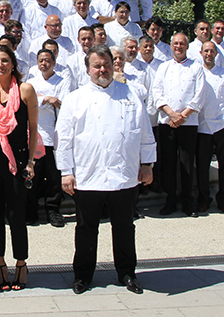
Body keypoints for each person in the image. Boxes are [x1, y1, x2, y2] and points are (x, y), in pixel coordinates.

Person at [58, 45, 155, 294]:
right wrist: (66, 171)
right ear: (88, 69)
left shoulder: (130, 94)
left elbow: (144, 131)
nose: (102, 70)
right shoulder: (74, 98)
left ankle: (127, 273)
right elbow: (64, 139)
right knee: (85, 229)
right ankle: (82, 276)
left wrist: (147, 164)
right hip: (88, 176)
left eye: (106, 65)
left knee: (124, 227)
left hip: (124, 175)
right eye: (97, 66)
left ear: (114, 65)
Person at [0, 45, 40, 291]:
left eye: (5, 60)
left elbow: (34, 128)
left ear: (13, 63)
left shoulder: (25, 90)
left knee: (17, 215)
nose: (1, 65)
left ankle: (21, 263)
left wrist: (31, 161)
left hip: (17, 160)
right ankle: (1, 264)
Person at [152, 33, 205, 217]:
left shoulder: (196, 68)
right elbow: (157, 92)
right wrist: (172, 114)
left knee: (187, 163)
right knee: (168, 163)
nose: (178, 46)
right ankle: (170, 200)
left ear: (187, 46)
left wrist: (183, 115)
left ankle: (187, 202)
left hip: (188, 123)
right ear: (171, 46)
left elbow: (199, 95)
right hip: (167, 122)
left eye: (182, 43)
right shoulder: (163, 68)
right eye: (175, 43)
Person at [26, 48, 69, 227]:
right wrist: (47, 100)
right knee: (33, 177)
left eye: (47, 60)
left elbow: (63, 103)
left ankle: (53, 210)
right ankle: (30, 211)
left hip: (54, 136)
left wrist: (42, 101)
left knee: (53, 177)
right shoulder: (31, 82)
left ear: (54, 62)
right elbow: (28, 101)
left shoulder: (63, 81)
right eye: (41, 60)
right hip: (35, 136)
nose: (44, 63)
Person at [197, 41, 224, 214]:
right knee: (201, 166)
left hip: (223, 124)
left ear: (216, 54)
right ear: (201, 53)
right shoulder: (197, 72)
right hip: (202, 126)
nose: (209, 54)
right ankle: (203, 199)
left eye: (212, 51)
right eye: (206, 51)